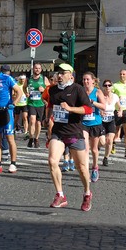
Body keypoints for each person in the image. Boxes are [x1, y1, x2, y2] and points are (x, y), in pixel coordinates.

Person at [44, 63, 94, 211]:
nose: (59, 75)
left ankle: (87, 193)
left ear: (70, 76)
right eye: (58, 73)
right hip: (58, 132)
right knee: (52, 161)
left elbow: (88, 109)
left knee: (82, 167)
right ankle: (60, 195)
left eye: (63, 73)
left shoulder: (77, 89)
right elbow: (51, 106)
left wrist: (70, 108)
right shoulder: (52, 90)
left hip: (74, 132)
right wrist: (48, 119)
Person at [25, 63, 49, 148]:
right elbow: (24, 88)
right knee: (32, 120)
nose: (37, 70)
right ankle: (31, 137)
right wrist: (26, 93)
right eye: (36, 68)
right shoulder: (28, 79)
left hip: (40, 103)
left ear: (41, 70)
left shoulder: (44, 79)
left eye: (39, 68)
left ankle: (36, 139)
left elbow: (49, 89)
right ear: (33, 69)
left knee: (38, 123)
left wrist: (44, 89)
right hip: (31, 102)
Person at [100, 79, 121, 167]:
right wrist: (100, 111)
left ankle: (106, 158)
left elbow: (120, 107)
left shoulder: (115, 96)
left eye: (109, 85)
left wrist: (120, 111)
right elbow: (96, 105)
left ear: (112, 87)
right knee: (102, 141)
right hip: (101, 120)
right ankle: (97, 147)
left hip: (111, 119)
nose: (107, 87)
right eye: (105, 85)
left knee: (110, 140)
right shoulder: (100, 95)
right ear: (103, 87)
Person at [112, 69, 126, 157]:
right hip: (117, 110)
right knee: (116, 129)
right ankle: (112, 144)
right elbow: (110, 96)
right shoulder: (115, 85)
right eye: (120, 74)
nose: (122, 76)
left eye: (124, 74)